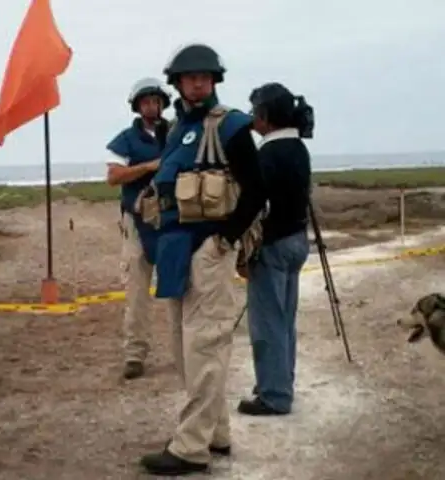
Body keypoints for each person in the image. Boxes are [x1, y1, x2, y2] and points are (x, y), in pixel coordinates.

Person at [137, 44, 266, 476]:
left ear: (214, 81)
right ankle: (215, 433)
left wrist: (225, 241)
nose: (198, 82)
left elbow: (255, 189)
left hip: (208, 250)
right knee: (185, 348)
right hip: (174, 250)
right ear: (177, 83)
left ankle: (191, 447)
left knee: (205, 345)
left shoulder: (229, 126)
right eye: (190, 77)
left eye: (205, 77)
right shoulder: (176, 130)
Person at [234, 82, 313, 416]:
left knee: (266, 322)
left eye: (256, 112)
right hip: (297, 240)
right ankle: (281, 380)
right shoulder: (298, 148)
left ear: (266, 116)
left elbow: (254, 202)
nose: (253, 118)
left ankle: (274, 394)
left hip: (273, 245)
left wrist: (234, 239)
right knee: (285, 319)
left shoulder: (267, 153)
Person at [105, 77, 172, 380]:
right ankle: (135, 354)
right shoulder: (125, 139)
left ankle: (183, 350)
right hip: (136, 221)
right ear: (137, 106)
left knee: (179, 288)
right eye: (146, 101)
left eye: (155, 101)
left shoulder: (176, 133)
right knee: (136, 291)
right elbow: (114, 176)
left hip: (172, 219)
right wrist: (148, 167)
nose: (151, 106)